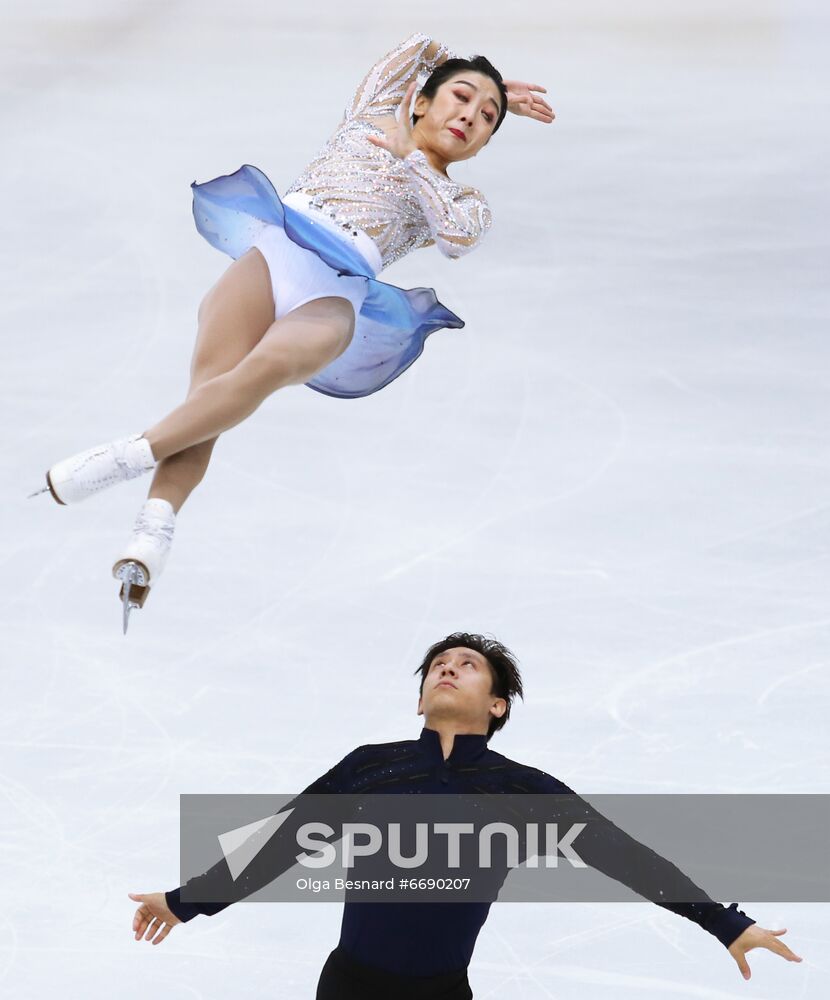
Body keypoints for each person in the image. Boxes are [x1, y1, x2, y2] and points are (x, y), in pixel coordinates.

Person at [31, 33, 554, 631]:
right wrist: (494, 83)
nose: (471, 116)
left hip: (335, 295)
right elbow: (419, 46)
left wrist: (417, 154)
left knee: (258, 374)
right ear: (420, 98)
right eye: (460, 98)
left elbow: (459, 239)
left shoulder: (462, 196)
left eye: (488, 117)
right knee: (210, 397)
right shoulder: (373, 112)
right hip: (274, 256)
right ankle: (153, 533)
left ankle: (128, 456)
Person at [128, 633, 802, 997]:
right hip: (349, 992)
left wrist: (725, 923)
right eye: (437, 666)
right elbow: (278, 844)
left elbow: (628, 858)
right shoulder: (370, 766)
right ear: (420, 699)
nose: (447, 669)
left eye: (467, 665)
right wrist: (185, 900)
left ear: (497, 704)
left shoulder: (523, 792)